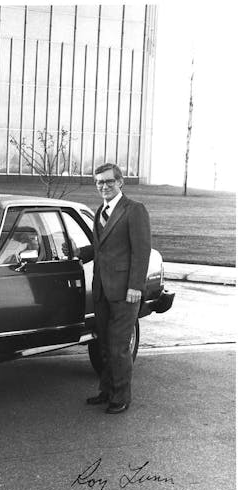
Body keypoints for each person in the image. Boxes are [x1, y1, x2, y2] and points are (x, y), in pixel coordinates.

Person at [76, 162, 151, 414]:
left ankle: (122, 396)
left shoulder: (134, 210)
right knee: (105, 344)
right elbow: (102, 249)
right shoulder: (100, 211)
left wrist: (136, 287)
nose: (104, 186)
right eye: (99, 182)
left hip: (125, 292)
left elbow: (142, 251)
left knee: (119, 346)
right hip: (102, 290)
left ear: (120, 182)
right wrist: (77, 253)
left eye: (109, 181)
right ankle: (106, 391)